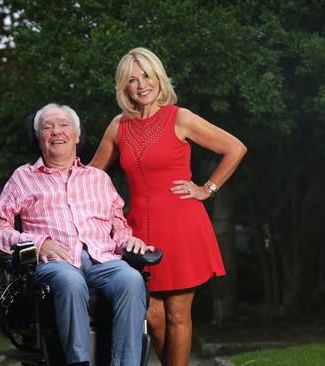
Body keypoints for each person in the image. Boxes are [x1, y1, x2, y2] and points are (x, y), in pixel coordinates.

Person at [89, 47, 247, 365]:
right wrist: (50, 174)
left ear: (158, 78)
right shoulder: (118, 126)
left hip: (181, 226)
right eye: (132, 79)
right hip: (138, 233)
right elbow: (91, 175)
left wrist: (207, 188)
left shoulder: (180, 117)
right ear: (124, 87)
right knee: (152, 314)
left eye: (147, 75)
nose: (141, 84)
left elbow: (235, 148)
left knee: (176, 312)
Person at [0, 103, 154, 366]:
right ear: (39, 137)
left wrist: (129, 240)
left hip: (102, 259)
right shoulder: (23, 177)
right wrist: (38, 244)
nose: (57, 132)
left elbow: (119, 227)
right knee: (70, 280)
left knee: (132, 279)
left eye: (64, 125)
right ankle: (78, 362)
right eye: (48, 126)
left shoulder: (98, 179)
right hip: (55, 264)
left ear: (77, 136)